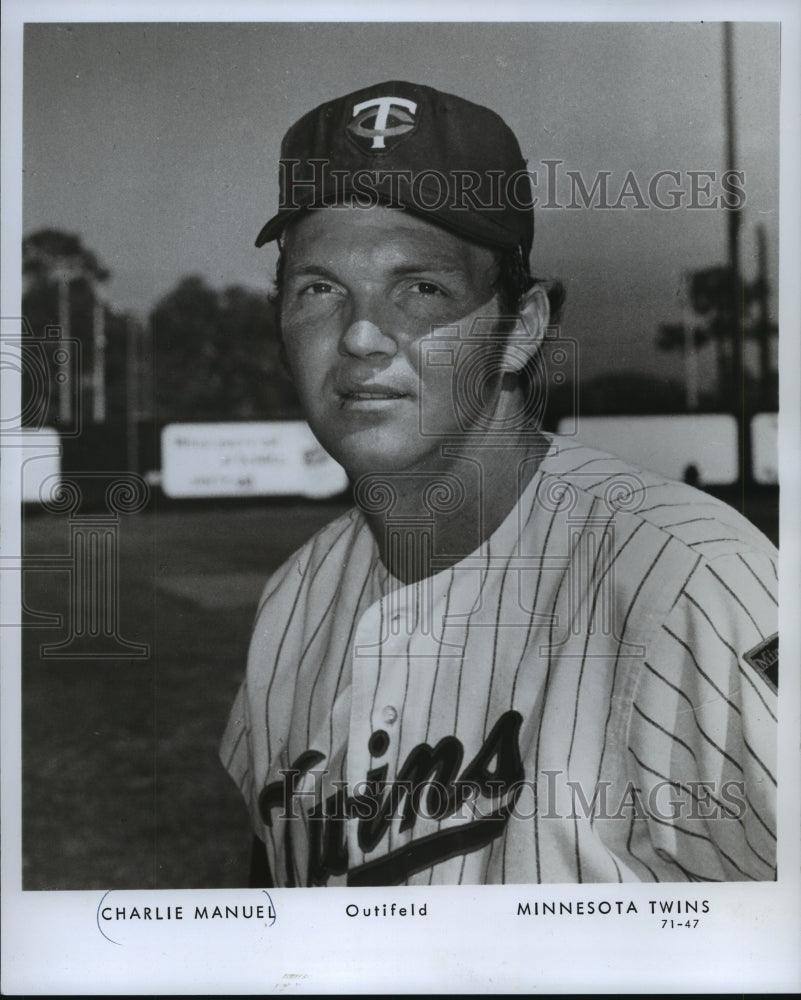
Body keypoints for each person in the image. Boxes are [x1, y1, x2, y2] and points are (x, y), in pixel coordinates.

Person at [219, 80, 777, 887]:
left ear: (521, 329)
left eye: (421, 288)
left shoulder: (691, 581)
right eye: (320, 289)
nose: (362, 335)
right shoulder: (292, 600)